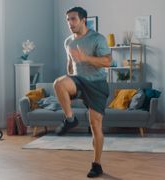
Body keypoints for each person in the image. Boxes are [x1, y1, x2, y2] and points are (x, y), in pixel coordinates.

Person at [53, 6, 111, 178]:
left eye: (73, 19)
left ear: (83, 20)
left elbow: (108, 62)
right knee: (58, 83)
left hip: (97, 85)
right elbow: (70, 64)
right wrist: (67, 89)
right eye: (68, 20)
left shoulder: (97, 38)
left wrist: (85, 58)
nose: (70, 23)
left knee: (95, 125)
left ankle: (97, 164)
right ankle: (70, 119)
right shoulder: (68, 42)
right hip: (79, 81)